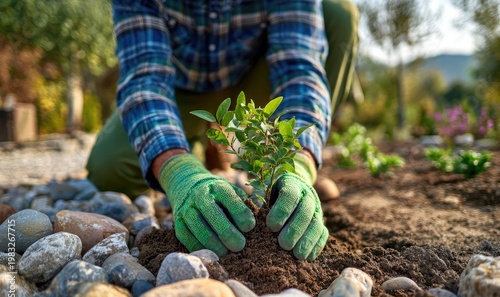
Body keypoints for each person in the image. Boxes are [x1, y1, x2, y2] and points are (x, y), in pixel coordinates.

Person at [86, 0, 359, 261]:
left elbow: (299, 70)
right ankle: (191, 147)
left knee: (338, 14)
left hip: (255, 83)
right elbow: (144, 76)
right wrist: (177, 169)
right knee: (110, 169)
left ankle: (294, 177)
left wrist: (298, 160)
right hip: (178, 86)